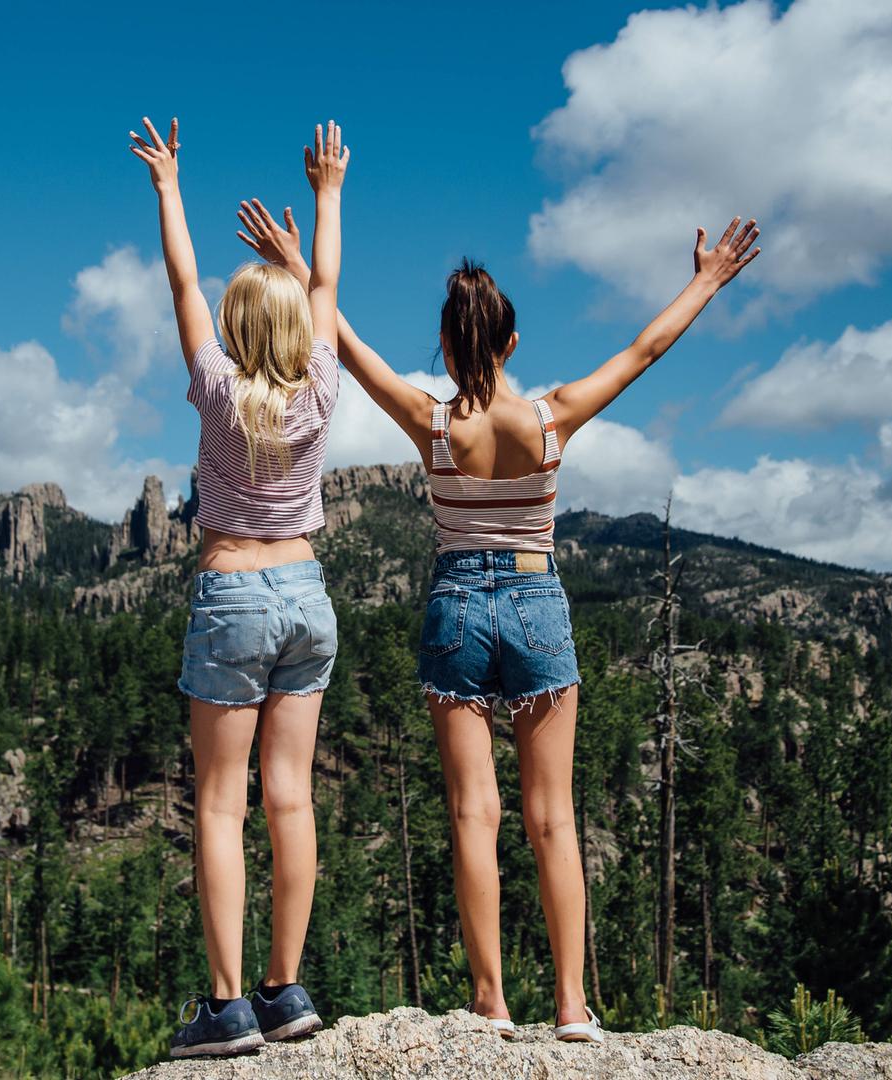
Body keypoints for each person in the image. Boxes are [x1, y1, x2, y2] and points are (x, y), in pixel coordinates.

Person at [236, 198, 760, 1043]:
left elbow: (350, 348)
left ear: (446, 345)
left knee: (474, 814)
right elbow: (645, 350)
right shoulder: (553, 417)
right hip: (537, 600)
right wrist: (704, 282)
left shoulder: (431, 422)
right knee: (553, 818)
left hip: (456, 608)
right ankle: (572, 1006)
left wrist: (302, 271)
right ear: (510, 343)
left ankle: (491, 1003)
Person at [128, 118, 350, 1058]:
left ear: (234, 330)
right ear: (299, 330)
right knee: (289, 800)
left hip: (233, 597)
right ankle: (284, 991)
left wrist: (170, 189)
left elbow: (182, 280)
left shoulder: (218, 390)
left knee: (221, 804)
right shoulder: (326, 387)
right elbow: (328, 285)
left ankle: (225, 1009)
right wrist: (328, 194)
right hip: (308, 595)